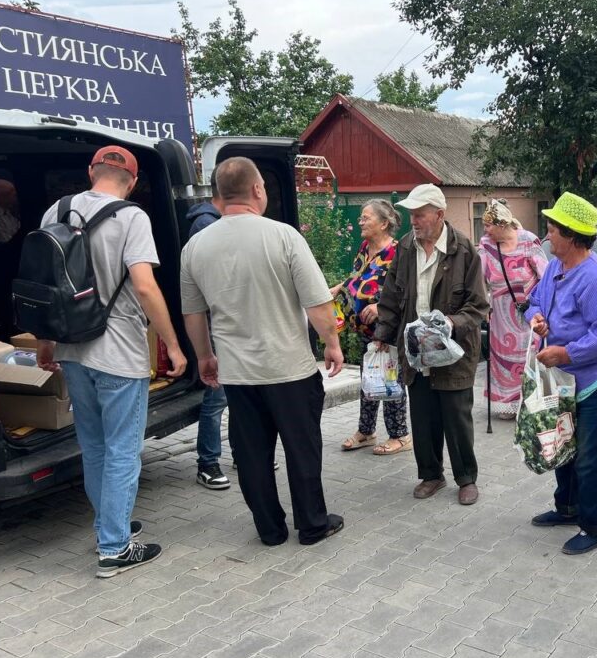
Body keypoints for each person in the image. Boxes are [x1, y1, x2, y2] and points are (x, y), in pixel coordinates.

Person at [36, 146, 187, 578]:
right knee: (123, 450)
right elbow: (144, 286)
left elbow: (45, 286)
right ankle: (115, 546)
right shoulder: (132, 217)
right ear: (133, 182)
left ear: (91, 172)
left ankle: (109, 523)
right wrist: (174, 347)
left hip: (71, 349)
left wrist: (47, 344)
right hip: (119, 350)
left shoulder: (56, 211)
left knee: (95, 446)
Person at [180, 157, 344, 547]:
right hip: (289, 369)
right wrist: (332, 344)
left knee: (252, 455)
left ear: (220, 194)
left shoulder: (196, 247)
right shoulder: (283, 236)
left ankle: (269, 530)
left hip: (238, 374)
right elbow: (317, 303)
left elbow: (193, 312)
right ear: (257, 189)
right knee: (302, 450)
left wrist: (205, 356)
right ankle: (312, 525)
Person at [525, 192, 597, 555]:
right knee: (564, 447)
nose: (547, 234)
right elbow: (536, 299)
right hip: (567, 378)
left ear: (571, 235)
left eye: (552, 229)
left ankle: (594, 527)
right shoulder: (557, 266)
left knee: (592, 459)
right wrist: (536, 319)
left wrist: (566, 351)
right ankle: (567, 508)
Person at [373, 184, 489, 506]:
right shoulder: (407, 247)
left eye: (420, 214)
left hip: (452, 351)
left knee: (456, 417)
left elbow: (478, 305)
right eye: (411, 214)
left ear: (439, 215)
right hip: (416, 351)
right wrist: (384, 332)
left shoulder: (464, 249)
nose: (414, 220)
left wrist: (453, 323)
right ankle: (431, 475)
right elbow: (392, 295)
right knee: (423, 416)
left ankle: (466, 478)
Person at [334, 199, 411, 455]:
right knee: (369, 379)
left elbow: (407, 292)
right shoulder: (365, 247)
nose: (361, 222)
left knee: (390, 380)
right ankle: (366, 431)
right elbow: (358, 277)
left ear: (384, 223)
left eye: (366, 218)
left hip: (388, 328)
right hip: (364, 329)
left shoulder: (398, 252)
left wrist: (380, 307)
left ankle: (400, 435)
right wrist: (339, 288)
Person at [182, 170, 232, 490]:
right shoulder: (206, 225)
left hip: (227, 323)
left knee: (238, 392)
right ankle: (207, 462)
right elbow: (216, 282)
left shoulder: (217, 222)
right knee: (218, 395)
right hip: (219, 324)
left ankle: (243, 452)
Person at [478, 199, 548, 420]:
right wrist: (483, 308)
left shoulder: (528, 240)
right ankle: (507, 404)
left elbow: (544, 276)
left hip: (529, 312)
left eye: (489, 225)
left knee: (529, 355)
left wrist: (544, 306)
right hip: (499, 313)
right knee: (503, 359)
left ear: (502, 224)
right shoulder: (486, 245)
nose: (485, 229)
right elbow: (479, 280)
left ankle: (530, 400)